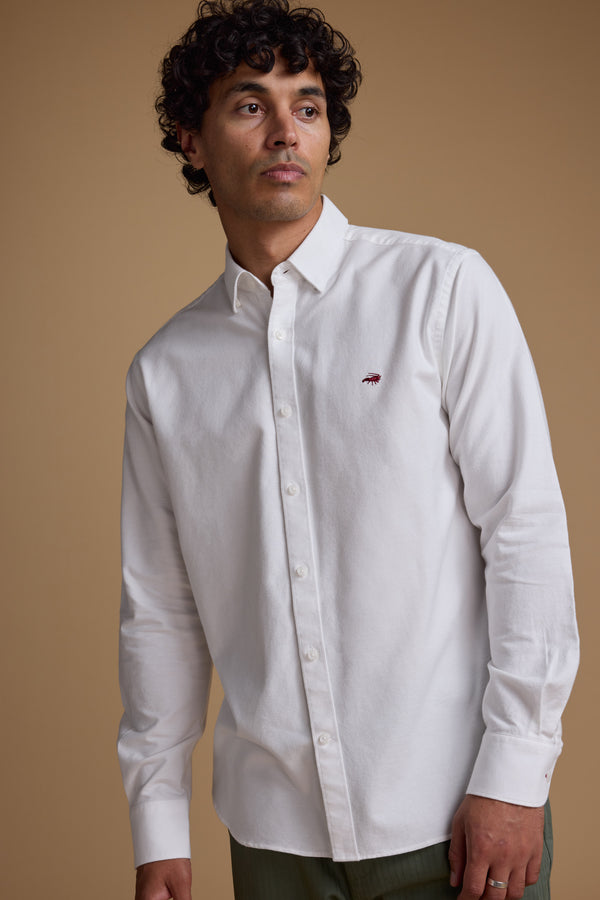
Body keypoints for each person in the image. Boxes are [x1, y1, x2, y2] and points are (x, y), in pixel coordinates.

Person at [117, 2, 579, 898]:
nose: (288, 129)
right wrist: (157, 823)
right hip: (272, 837)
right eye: (250, 105)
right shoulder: (165, 372)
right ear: (192, 139)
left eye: (310, 104)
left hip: (456, 819)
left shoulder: (442, 289)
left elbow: (523, 531)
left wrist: (516, 774)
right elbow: (161, 611)